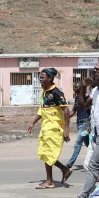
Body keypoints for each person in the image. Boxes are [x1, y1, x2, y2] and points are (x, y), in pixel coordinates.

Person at [27, 68, 72, 189]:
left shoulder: (57, 93)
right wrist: (32, 122)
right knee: (45, 154)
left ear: (50, 78)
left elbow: (66, 111)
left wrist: (66, 130)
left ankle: (50, 181)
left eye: (43, 77)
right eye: (40, 77)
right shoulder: (44, 92)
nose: (40, 79)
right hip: (45, 128)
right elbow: (41, 110)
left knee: (49, 154)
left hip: (54, 129)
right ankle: (64, 169)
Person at [77, 64, 99, 198]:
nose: (93, 73)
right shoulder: (95, 90)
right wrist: (83, 88)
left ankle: (83, 195)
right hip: (96, 136)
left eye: (97, 71)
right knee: (91, 165)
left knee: (93, 165)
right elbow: (84, 105)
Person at [66, 82, 91, 169]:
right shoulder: (77, 98)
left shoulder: (86, 97)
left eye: (76, 87)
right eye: (73, 86)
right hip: (80, 124)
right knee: (89, 145)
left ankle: (69, 164)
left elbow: (92, 110)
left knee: (78, 143)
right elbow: (73, 110)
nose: (74, 87)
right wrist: (66, 116)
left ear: (80, 88)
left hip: (86, 124)